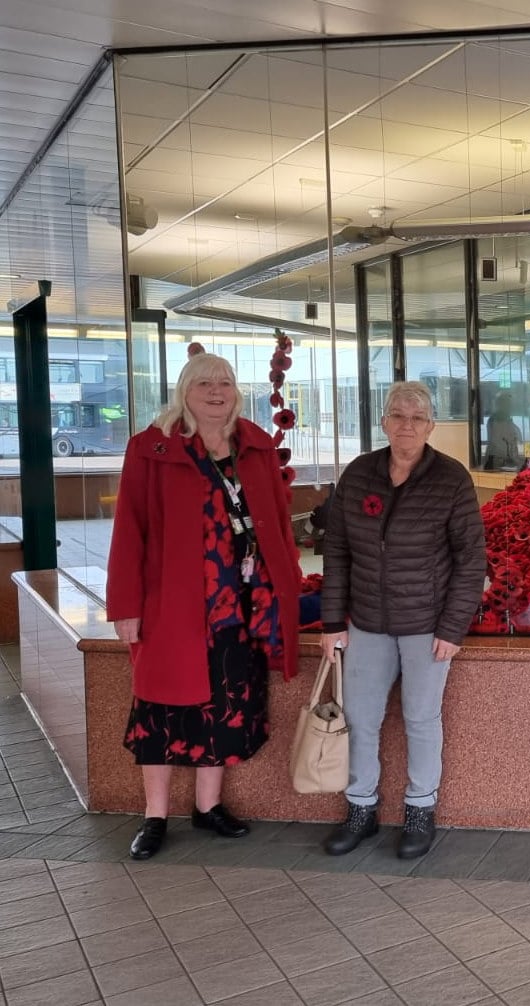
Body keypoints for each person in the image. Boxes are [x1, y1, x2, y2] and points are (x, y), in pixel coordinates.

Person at [106, 351, 302, 861]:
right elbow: (129, 531)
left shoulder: (255, 448)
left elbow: (279, 528)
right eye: (204, 383)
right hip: (172, 605)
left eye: (226, 383)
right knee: (161, 708)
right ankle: (154, 817)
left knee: (225, 705)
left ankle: (208, 807)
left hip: (239, 608)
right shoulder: (152, 449)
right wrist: (125, 607)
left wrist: (286, 588)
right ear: (184, 391)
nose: (217, 391)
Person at [320, 381, 487, 859]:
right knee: (361, 719)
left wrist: (453, 627)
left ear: (431, 425)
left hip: (427, 627)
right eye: (397, 415)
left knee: (420, 718)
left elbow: (471, 558)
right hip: (367, 623)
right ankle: (361, 808)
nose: (406, 424)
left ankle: (419, 809)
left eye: (416, 417)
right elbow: (336, 553)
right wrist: (333, 623)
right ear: (384, 422)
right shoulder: (359, 474)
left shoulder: (450, 478)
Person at [482, 391, 524, 471]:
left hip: (507, 463)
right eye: (508, 403)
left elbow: (515, 442)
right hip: (498, 464)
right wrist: (515, 460)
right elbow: (499, 445)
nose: (511, 406)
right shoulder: (496, 420)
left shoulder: (509, 420)